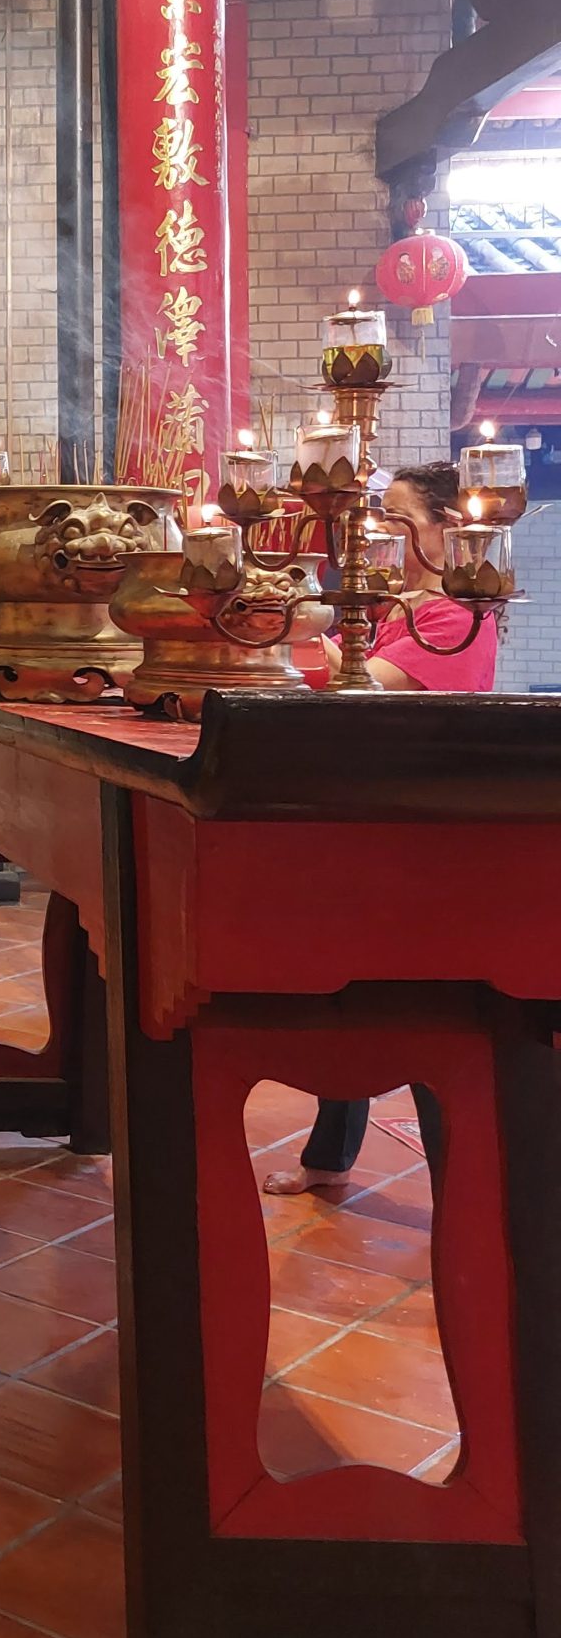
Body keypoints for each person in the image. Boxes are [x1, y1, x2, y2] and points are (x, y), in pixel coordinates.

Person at [264, 460, 498, 1197]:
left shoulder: (454, 615)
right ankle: (330, 1158)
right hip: (369, 820)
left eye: (395, 520)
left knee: (417, 1011)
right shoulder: (397, 611)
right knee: (352, 988)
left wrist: (295, 617)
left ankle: (464, 1188)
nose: (377, 535)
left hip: (424, 839)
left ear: (449, 529)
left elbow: (358, 687)